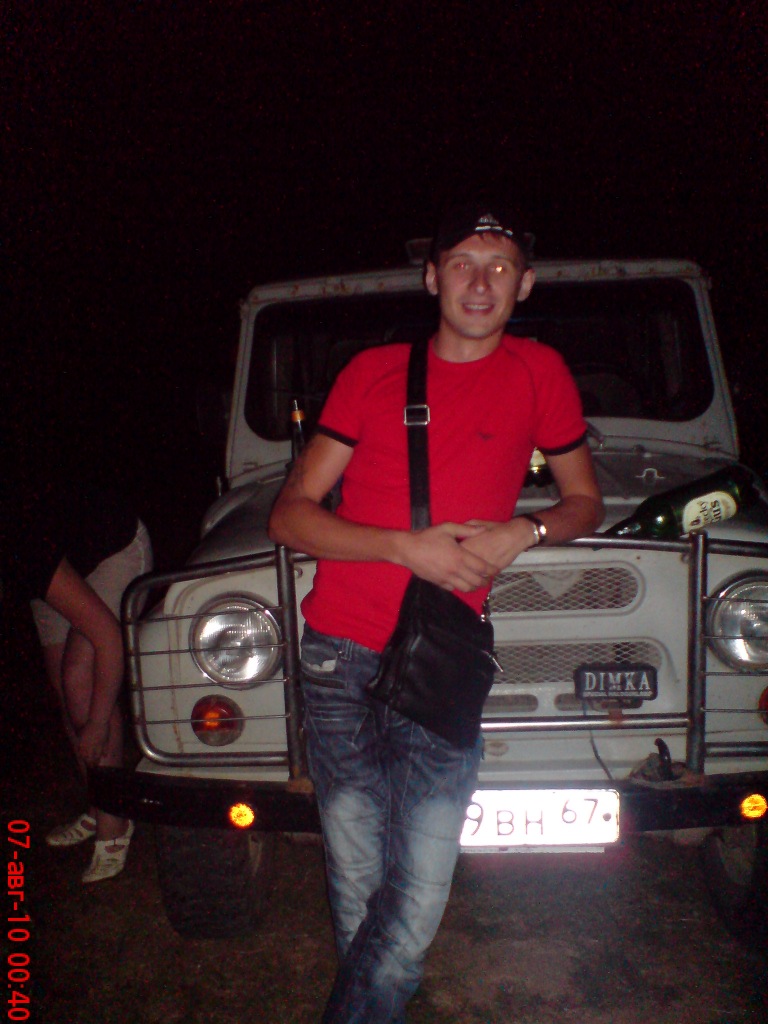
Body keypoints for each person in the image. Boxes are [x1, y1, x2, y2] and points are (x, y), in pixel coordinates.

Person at [268, 201, 605, 1022]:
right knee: (358, 880)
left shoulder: (540, 373)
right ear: (431, 277)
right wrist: (403, 548)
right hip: (340, 652)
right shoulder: (373, 373)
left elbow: (584, 502)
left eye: (499, 266)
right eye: (462, 263)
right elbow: (290, 517)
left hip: (443, 659)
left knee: (416, 895)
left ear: (524, 284)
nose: (480, 282)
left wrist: (524, 531)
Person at [3, 479, 152, 883]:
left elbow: (108, 639)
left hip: (115, 549)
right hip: (59, 561)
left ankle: (115, 822)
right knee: (63, 688)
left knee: (79, 679)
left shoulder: (17, 541)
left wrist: (98, 724)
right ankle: (98, 804)